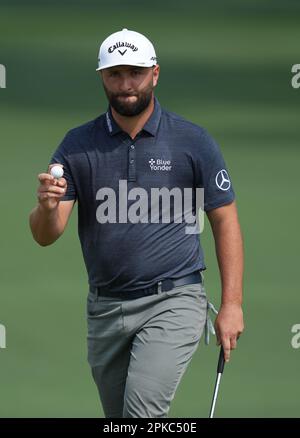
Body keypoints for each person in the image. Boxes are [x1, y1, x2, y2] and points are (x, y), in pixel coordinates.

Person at [29, 28, 244, 418]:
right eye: (115, 74)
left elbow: (224, 218)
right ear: (101, 77)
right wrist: (46, 207)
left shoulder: (192, 142)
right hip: (105, 309)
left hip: (174, 300)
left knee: (141, 413)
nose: (126, 84)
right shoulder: (77, 145)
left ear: (155, 74)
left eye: (136, 72)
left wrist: (231, 304)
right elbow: (47, 235)